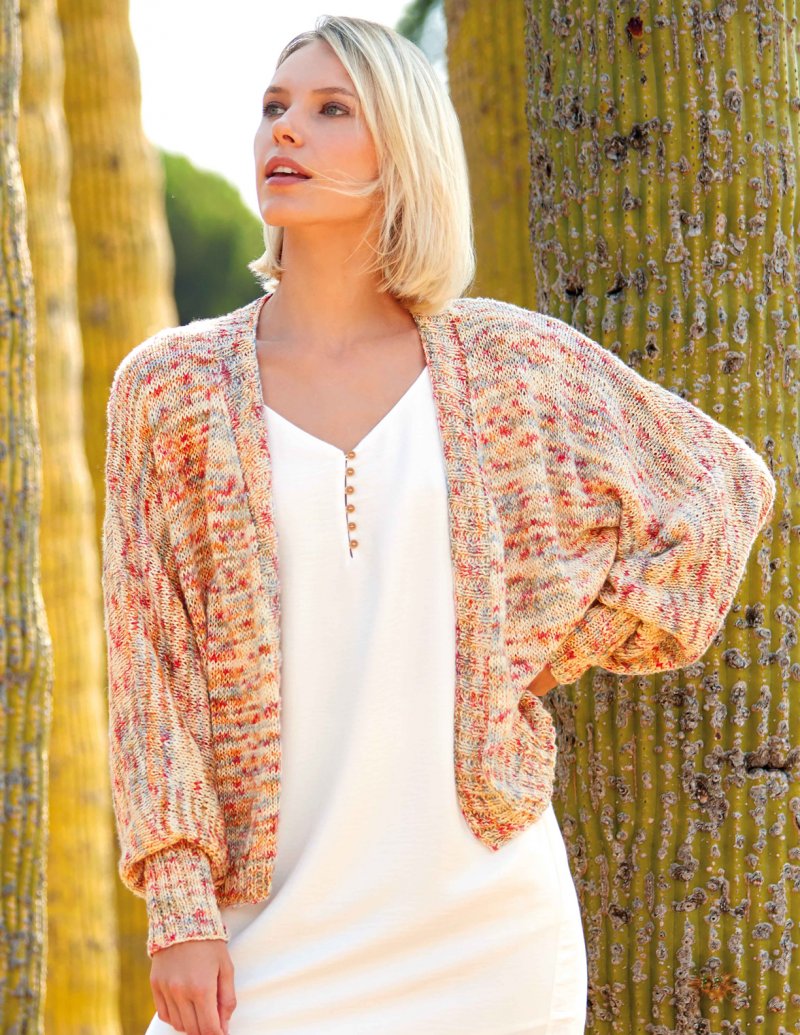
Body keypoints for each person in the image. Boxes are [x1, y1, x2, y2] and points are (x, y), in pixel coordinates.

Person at [101, 15, 776, 1035]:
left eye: (332, 110)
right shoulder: (171, 388)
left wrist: (532, 654)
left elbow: (721, 487)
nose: (286, 130)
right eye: (275, 107)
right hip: (258, 932)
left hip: (483, 929)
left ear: (402, 151)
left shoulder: (508, 365)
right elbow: (147, 663)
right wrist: (179, 906)